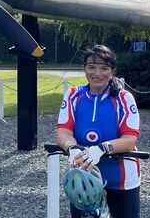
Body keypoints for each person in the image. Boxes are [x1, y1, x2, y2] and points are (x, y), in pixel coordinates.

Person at [56, 45, 141, 218]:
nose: (97, 73)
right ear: (84, 69)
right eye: (91, 67)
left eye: (104, 68)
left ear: (112, 71)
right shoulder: (73, 95)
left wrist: (102, 148)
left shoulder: (124, 98)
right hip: (83, 178)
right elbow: (63, 132)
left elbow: (130, 139)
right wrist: (71, 148)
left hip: (122, 178)